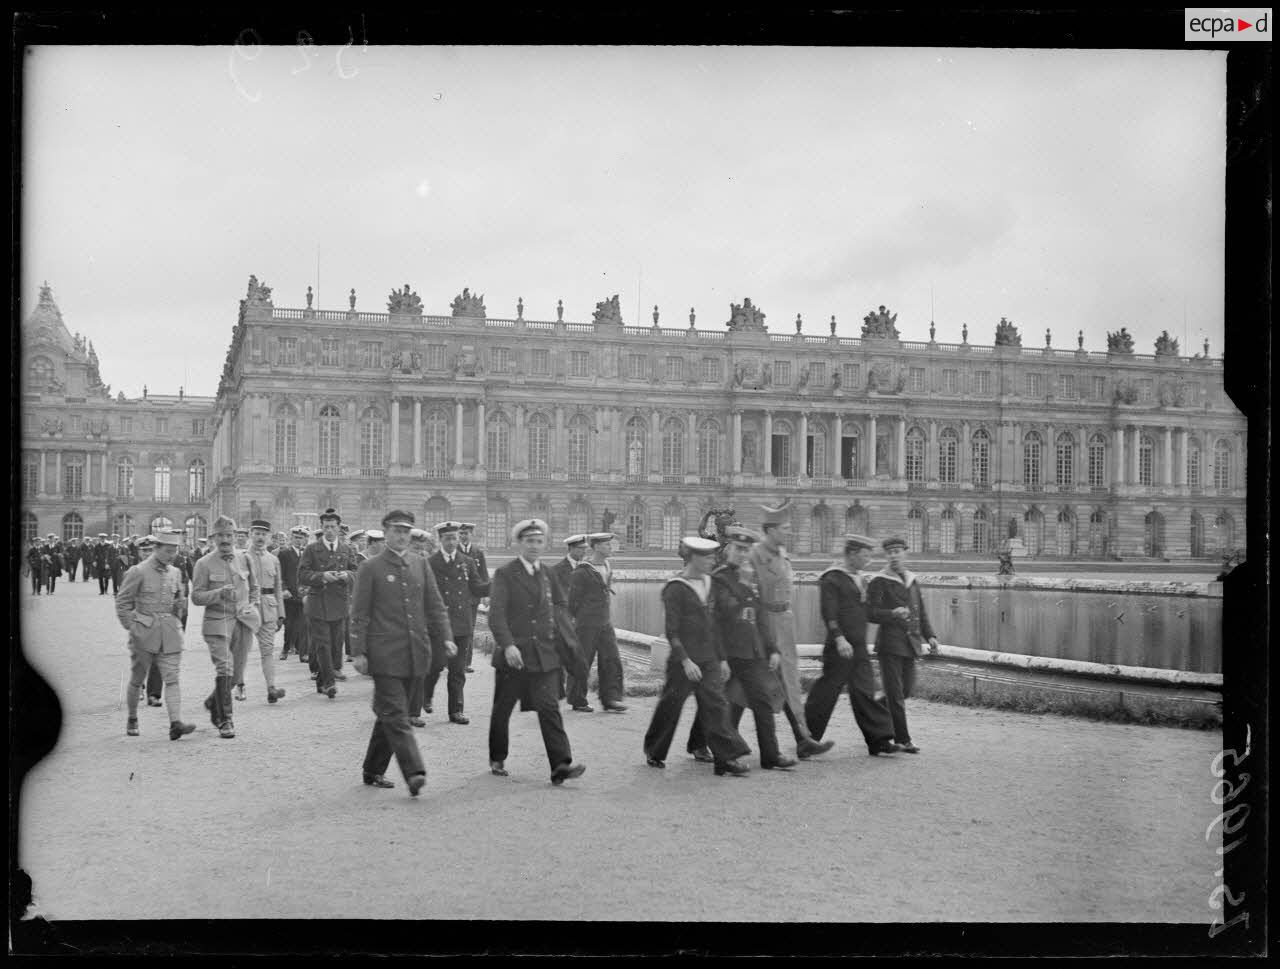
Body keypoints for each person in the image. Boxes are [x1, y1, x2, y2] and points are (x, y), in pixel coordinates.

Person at [350, 510, 454, 797]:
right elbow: (358, 613)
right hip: (384, 654)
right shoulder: (370, 567)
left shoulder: (419, 564)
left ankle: (372, 769)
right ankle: (414, 771)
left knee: (389, 714)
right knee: (397, 714)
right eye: (396, 530)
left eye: (406, 531)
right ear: (385, 532)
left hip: (415, 652)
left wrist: (446, 637)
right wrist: (358, 652)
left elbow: (435, 605)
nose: (401, 536)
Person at [486, 519, 588, 785]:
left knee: (549, 708)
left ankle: (561, 765)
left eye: (539, 541)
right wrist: (507, 645)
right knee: (503, 709)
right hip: (514, 656)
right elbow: (496, 615)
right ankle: (497, 756)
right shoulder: (506, 574)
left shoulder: (548, 574)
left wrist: (561, 633)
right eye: (529, 541)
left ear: (544, 544)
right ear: (519, 543)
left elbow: (561, 605)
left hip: (544, 654)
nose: (534, 545)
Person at [687, 526, 796, 770]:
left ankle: (771, 756)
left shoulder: (752, 578)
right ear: (728, 549)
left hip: (751, 654)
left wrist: (772, 649)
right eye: (738, 548)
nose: (741, 553)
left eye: (746, 549)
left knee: (762, 703)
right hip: (726, 653)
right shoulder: (717, 579)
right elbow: (712, 622)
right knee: (715, 702)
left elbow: (760, 619)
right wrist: (721, 658)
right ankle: (698, 743)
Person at [642, 536, 752, 777]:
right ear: (693, 558)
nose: (713, 560)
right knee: (670, 706)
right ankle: (654, 750)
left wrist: (722, 658)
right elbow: (672, 631)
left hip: (709, 658)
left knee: (716, 704)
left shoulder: (710, 583)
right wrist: (685, 661)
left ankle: (726, 759)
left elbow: (715, 627)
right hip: (684, 661)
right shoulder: (675, 588)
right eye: (708, 557)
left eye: (714, 556)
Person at [750, 500, 834, 760]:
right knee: (743, 685)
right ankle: (709, 738)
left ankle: (803, 739)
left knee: (789, 683)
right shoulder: (754, 555)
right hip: (764, 623)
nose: (789, 531)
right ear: (771, 529)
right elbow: (749, 597)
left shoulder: (782, 553)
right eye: (785, 528)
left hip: (784, 623)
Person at [804, 535, 902, 756]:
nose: (868, 561)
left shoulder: (860, 579)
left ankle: (880, 741)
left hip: (857, 648)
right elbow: (828, 612)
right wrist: (838, 638)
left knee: (865, 693)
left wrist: (891, 614)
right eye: (865, 556)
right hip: (840, 647)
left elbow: (867, 612)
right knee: (825, 694)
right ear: (852, 554)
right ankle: (806, 740)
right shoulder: (832, 578)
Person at [115, 529, 197, 740]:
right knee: (137, 678)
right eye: (168, 551)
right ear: (157, 549)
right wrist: (132, 627)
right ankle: (132, 717)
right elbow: (123, 602)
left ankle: (175, 723)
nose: (172, 555)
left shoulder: (175, 572)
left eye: (175, 551)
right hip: (143, 634)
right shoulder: (138, 571)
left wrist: (178, 611)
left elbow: (178, 599)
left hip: (169, 633)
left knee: (172, 678)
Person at [866, 536, 939, 754]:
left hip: (911, 643)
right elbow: (869, 612)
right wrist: (891, 613)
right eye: (890, 552)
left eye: (898, 551)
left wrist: (931, 636)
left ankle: (874, 712)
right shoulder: (879, 581)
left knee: (905, 690)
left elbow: (921, 612)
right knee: (896, 695)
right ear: (885, 555)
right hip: (889, 645)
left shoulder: (911, 580)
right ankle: (903, 739)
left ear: (905, 553)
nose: (894, 555)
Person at [190, 515, 260, 739]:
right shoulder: (204, 563)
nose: (225, 539)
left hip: (242, 623)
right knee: (226, 668)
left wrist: (252, 605)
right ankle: (226, 720)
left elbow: (254, 587)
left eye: (229, 535)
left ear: (235, 536)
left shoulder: (244, 559)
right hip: (217, 623)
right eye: (220, 535)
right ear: (213, 538)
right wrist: (218, 594)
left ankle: (213, 701)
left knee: (237, 673)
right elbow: (196, 597)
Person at [424, 522, 490, 725]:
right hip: (439, 625)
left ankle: (456, 711)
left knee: (458, 670)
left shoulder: (467, 562)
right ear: (440, 540)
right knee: (435, 666)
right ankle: (426, 696)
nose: (451, 542)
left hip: (462, 624)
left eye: (454, 538)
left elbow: (477, 588)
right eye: (447, 538)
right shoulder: (430, 563)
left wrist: (497, 585)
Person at [298, 508, 360, 698]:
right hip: (318, 603)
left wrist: (347, 575)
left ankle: (321, 681)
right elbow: (301, 575)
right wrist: (322, 576)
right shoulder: (311, 549)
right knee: (323, 644)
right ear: (322, 527)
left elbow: (357, 572)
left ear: (339, 528)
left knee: (335, 645)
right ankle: (330, 683)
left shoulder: (346, 549)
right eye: (326, 527)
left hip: (339, 604)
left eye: (333, 527)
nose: (330, 531)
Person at [565, 532, 627, 714]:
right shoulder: (582, 571)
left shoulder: (607, 566)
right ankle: (577, 699)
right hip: (586, 623)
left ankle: (611, 699)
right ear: (598, 547)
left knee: (612, 659)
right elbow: (573, 601)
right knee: (582, 660)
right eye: (607, 545)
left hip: (604, 621)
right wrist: (582, 618)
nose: (610, 547)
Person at [237, 519, 286, 704]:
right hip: (247, 609)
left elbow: (277, 588)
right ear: (250, 534)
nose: (260, 537)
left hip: (269, 609)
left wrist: (281, 613)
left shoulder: (273, 559)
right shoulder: (240, 557)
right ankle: (240, 685)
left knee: (267, 650)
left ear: (268, 537)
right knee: (242, 650)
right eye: (256, 533)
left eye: (263, 534)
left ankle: (271, 688)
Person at [456, 522, 488, 673]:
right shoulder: (453, 551)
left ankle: (466, 663)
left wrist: (486, 595)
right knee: (454, 629)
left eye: (466, 533)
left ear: (471, 535)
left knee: (469, 629)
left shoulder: (478, 553)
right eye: (461, 534)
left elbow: (483, 574)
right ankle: (454, 661)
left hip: (472, 598)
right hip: (455, 599)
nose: (463, 536)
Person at [276, 525, 310, 662]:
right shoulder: (284, 553)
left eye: (301, 538)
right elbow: (280, 574)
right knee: (289, 625)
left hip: (303, 596)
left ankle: (303, 653)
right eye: (296, 537)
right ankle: (285, 649)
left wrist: (308, 590)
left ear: (305, 539)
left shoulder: (308, 553)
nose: (298, 540)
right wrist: (284, 589)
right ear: (291, 538)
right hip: (289, 595)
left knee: (303, 625)